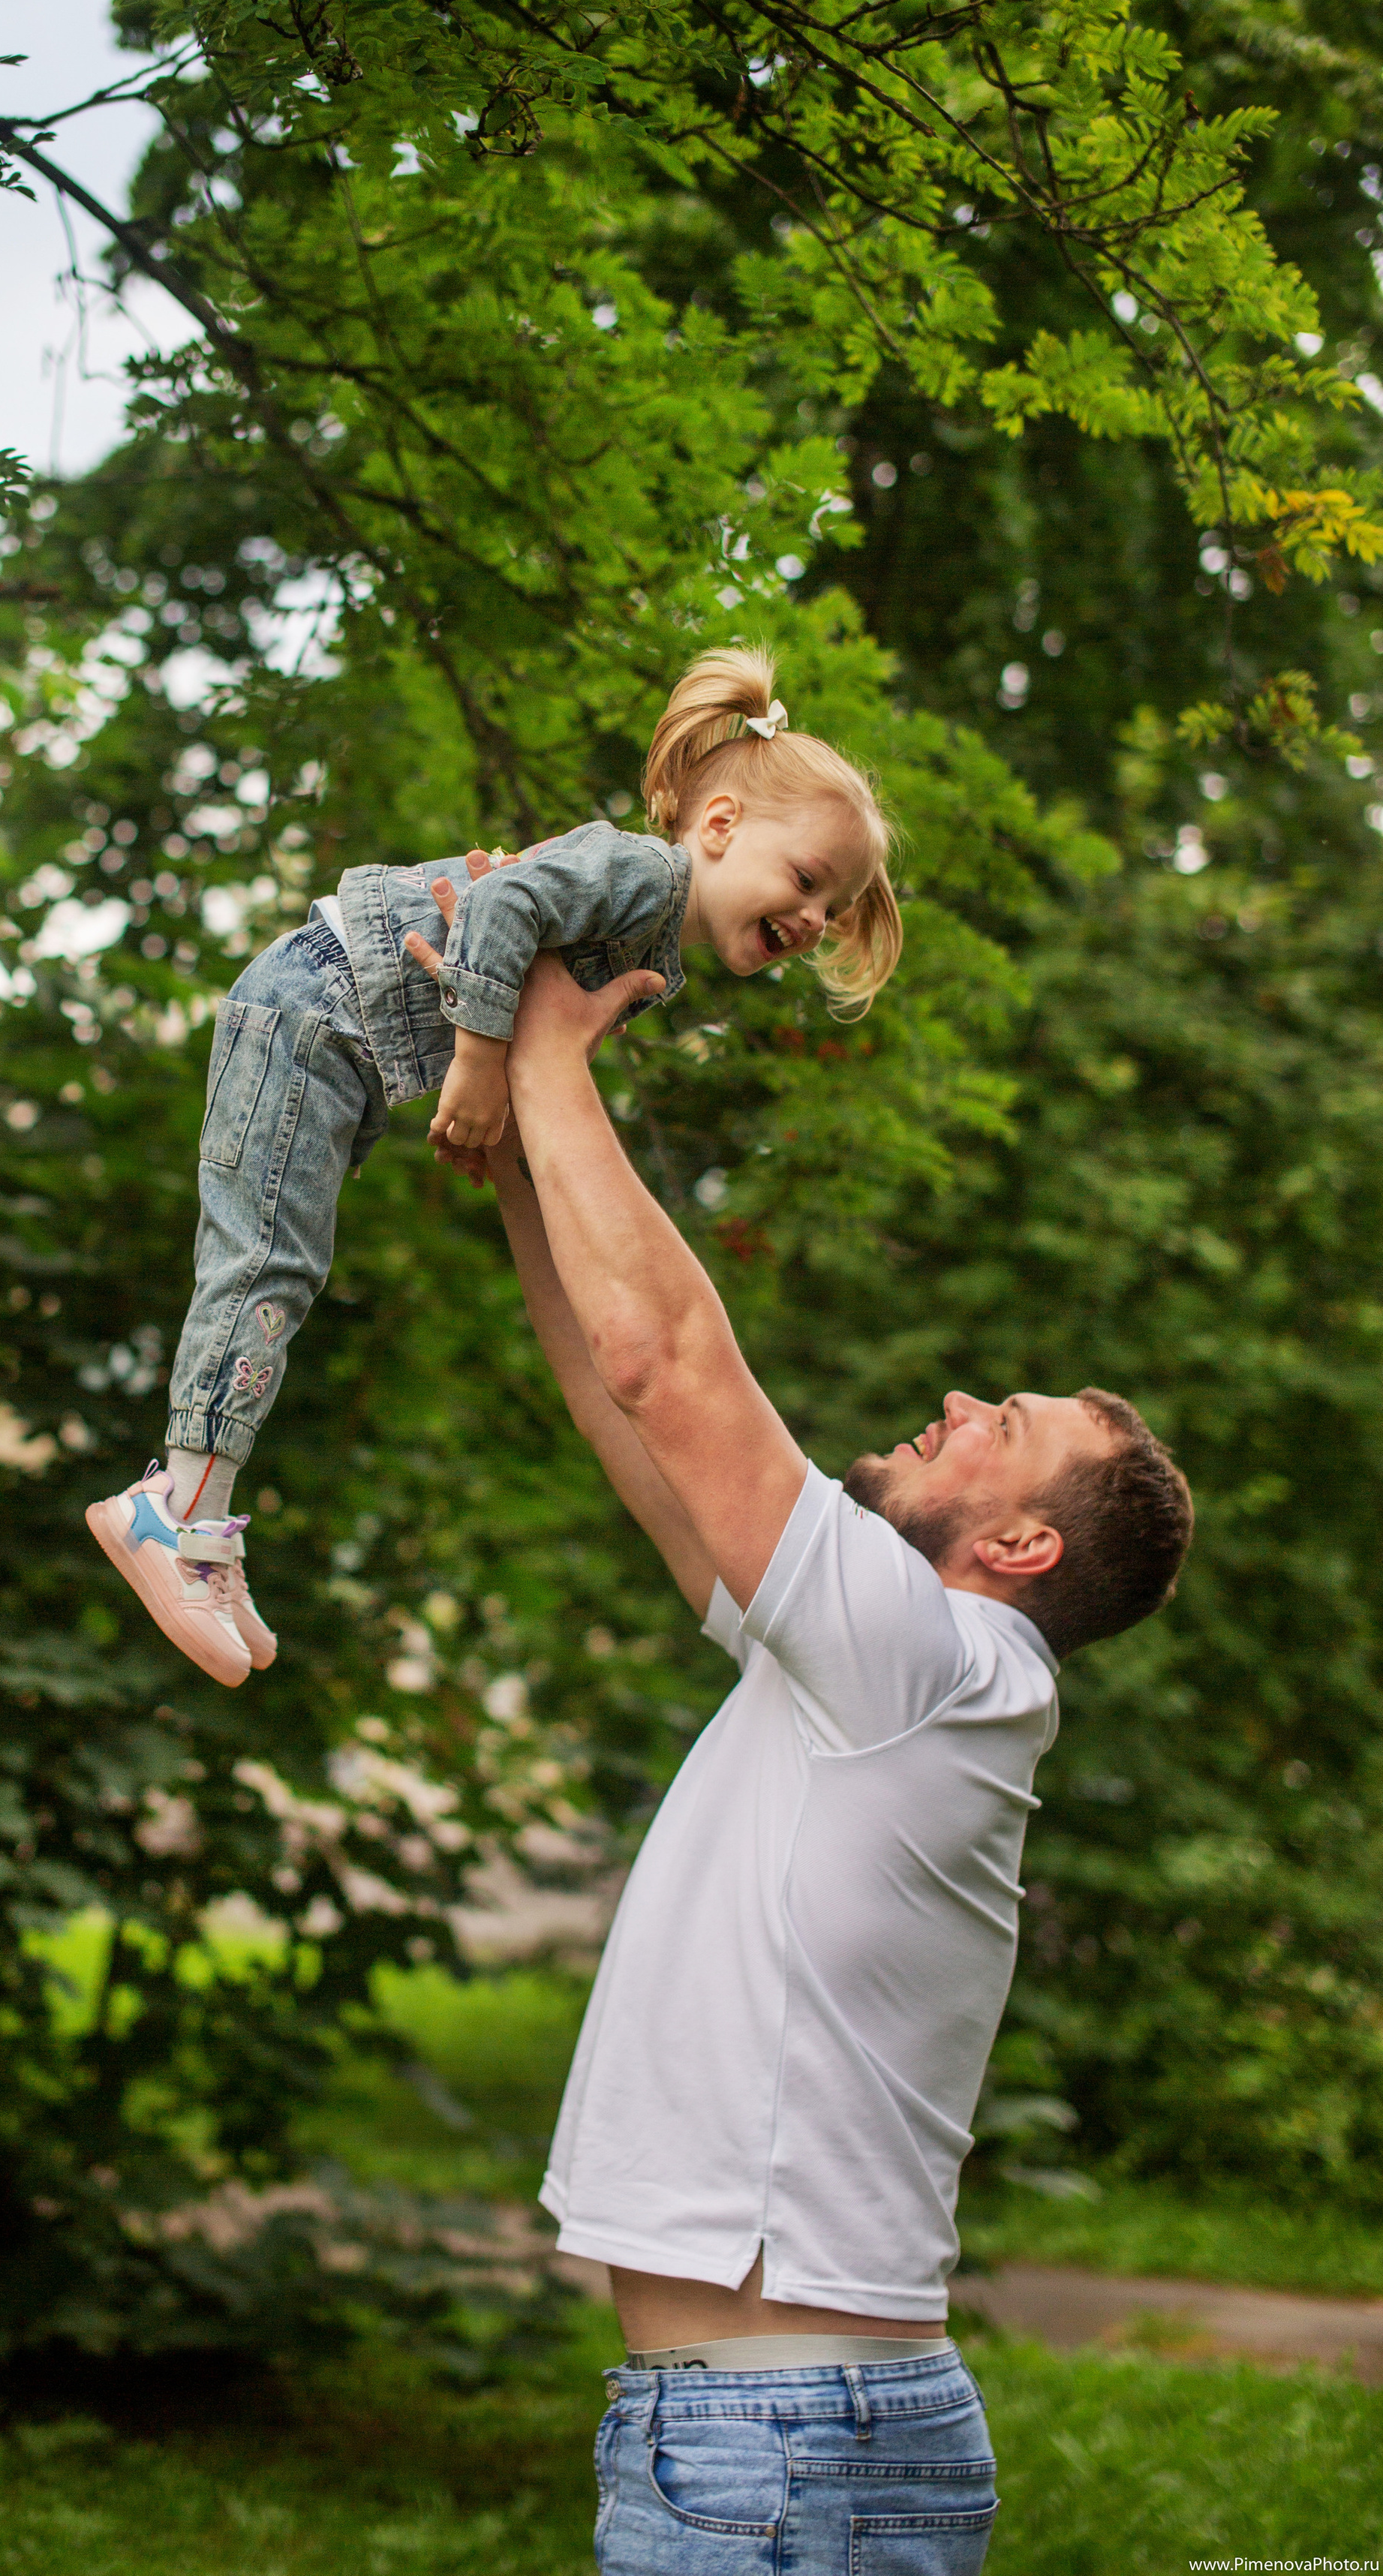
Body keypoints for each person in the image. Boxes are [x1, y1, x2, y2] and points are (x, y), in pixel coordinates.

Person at [405, 897, 1192, 2574]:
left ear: (1022, 1548)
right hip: (788, 2432)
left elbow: (676, 1360)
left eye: (1010, 1427)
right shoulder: (873, 1674)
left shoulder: (935, 1663)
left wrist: (549, 1046)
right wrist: (526, 1181)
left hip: (772, 2448)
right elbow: (644, 1429)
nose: (967, 1400)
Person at [87, 648, 904, 1688]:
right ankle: (173, 1512)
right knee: (263, 1268)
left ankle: (197, 1504)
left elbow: (533, 991)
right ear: (723, 824)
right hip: (320, 1005)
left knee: (283, 1269)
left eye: (833, 908)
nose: (814, 921)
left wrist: (505, 1088)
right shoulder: (646, 875)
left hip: (345, 1039)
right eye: (807, 881)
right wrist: (476, 1064)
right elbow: (501, 904)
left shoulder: (662, 937)